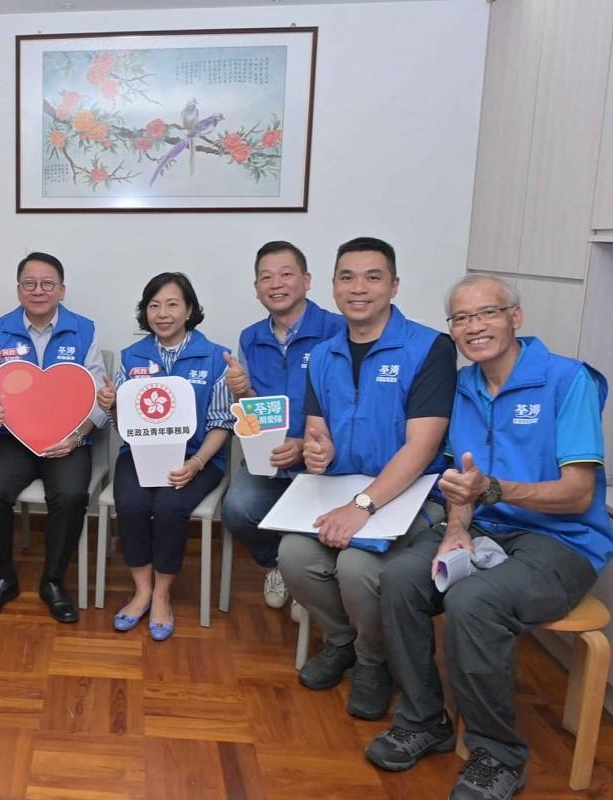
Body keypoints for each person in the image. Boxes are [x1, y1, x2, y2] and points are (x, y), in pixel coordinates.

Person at [366, 275, 610, 800]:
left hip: (563, 541)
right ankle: (425, 719)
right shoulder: (462, 387)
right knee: (404, 576)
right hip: (484, 525)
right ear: (452, 330)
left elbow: (577, 493)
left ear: (515, 317)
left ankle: (497, 755)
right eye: (461, 319)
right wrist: (456, 531)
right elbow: (460, 479)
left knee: (474, 601)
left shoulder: (568, 381)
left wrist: (496, 489)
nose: (474, 327)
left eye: (487, 313)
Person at [277, 236, 456, 721]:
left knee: (357, 569)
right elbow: (317, 431)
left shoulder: (429, 348)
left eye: (373, 277)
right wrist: (317, 451)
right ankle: (345, 642)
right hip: (341, 491)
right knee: (293, 555)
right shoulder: (325, 354)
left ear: (394, 285)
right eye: (347, 277)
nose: (359, 288)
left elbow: (421, 448)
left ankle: (375, 664)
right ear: (333, 286)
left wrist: (362, 506)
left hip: (410, 498)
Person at [0, 251, 108, 623]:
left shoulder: (84, 330)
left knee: (70, 495)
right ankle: (3, 577)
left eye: (47, 284)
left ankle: (53, 581)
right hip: (13, 439)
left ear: (62, 290)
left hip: (67, 439)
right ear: (18, 290)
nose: (38, 290)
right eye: (29, 283)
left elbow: (98, 397)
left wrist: (78, 436)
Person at [95, 272, 233, 640]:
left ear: (189, 310)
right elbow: (124, 425)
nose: (162, 313)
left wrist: (196, 463)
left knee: (171, 507)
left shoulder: (215, 357)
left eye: (172, 304)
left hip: (198, 457)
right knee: (133, 501)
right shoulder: (132, 356)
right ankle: (141, 590)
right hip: (140, 453)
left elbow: (222, 423)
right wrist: (110, 407)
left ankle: (161, 596)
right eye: (154, 305)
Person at [220, 241, 345, 609]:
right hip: (269, 458)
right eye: (266, 277)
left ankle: (313, 578)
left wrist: (305, 444)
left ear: (306, 281)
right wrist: (243, 392)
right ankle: (279, 565)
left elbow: (352, 404)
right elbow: (258, 412)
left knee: (321, 516)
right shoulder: (251, 337)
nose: (276, 284)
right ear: (256, 288)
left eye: (286, 274)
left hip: (328, 457)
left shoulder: (337, 330)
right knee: (237, 509)